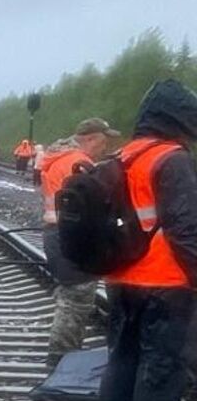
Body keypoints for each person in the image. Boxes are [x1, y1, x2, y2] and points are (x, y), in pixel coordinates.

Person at [96, 79, 197, 401]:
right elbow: (186, 228)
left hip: (124, 279)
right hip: (166, 281)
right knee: (161, 368)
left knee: (122, 362)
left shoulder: (126, 156)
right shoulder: (171, 159)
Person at [41, 118, 120, 369]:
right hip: (70, 236)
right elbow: (95, 206)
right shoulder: (78, 164)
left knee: (70, 293)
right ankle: (62, 361)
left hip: (56, 232)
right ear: (91, 139)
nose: (104, 147)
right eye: (103, 141)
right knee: (77, 297)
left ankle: (63, 355)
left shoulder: (58, 159)